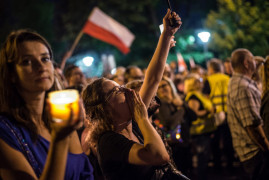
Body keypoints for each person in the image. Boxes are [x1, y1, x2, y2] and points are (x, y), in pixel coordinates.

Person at [82, 9, 182, 180]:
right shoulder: (108, 142)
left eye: (121, 86)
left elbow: (152, 79)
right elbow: (159, 156)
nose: (127, 90)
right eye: (116, 91)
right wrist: (143, 118)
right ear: (104, 108)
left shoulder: (130, 119)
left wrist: (166, 35)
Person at [0, 29, 94, 180]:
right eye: (27, 61)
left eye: (45, 59)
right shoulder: (6, 132)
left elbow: (84, 172)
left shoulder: (60, 115)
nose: (41, 67)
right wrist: (60, 139)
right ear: (11, 74)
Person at [227, 48, 269, 179]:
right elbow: (252, 125)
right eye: (252, 60)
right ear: (246, 63)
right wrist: (267, 148)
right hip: (255, 152)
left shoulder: (237, 82)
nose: (255, 64)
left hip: (251, 151)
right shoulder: (243, 86)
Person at [155, 76, 196, 175]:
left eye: (165, 85)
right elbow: (169, 123)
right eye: (159, 87)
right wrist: (181, 109)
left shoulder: (179, 99)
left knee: (190, 171)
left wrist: (182, 104)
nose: (162, 88)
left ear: (171, 86)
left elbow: (194, 116)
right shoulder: (161, 105)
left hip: (186, 141)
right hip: (174, 145)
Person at [202, 58, 234, 170]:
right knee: (228, 140)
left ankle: (218, 165)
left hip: (214, 114)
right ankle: (230, 164)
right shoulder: (227, 78)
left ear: (211, 68)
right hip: (228, 112)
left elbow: (205, 98)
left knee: (215, 141)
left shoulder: (209, 80)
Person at [184, 73, 216, 180]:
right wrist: (208, 111)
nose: (201, 82)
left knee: (205, 157)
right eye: (199, 80)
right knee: (202, 158)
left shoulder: (198, 94)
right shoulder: (193, 96)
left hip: (204, 131)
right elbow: (195, 113)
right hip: (199, 132)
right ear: (194, 83)